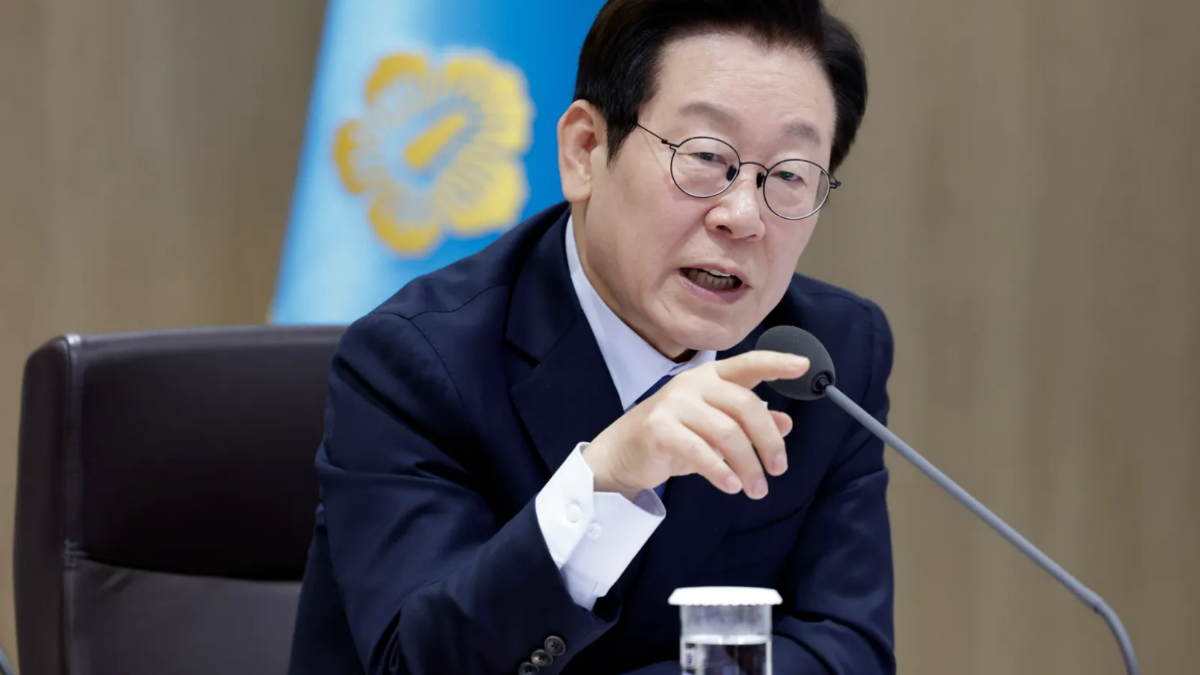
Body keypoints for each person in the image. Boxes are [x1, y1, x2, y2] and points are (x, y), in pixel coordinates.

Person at [288, 1, 895, 673]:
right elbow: (417, 663)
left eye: (789, 175)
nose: (743, 215)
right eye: (705, 156)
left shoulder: (824, 355)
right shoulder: (416, 363)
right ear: (585, 151)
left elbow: (849, 647)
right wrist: (605, 479)